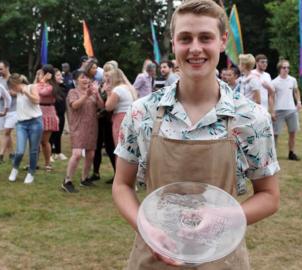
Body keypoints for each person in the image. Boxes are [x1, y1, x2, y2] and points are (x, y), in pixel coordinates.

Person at [112, 1, 280, 269]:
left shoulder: (251, 117)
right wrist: (145, 226)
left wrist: (223, 216)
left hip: (222, 260)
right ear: (173, 43)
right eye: (185, 38)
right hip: (152, 256)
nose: (195, 48)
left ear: (223, 41)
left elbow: (269, 196)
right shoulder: (141, 112)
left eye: (206, 38)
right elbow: (121, 185)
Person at [61, 70, 104, 193]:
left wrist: (96, 94)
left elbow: (101, 106)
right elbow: (74, 105)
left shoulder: (92, 92)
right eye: (82, 77)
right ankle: (67, 181)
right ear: (76, 80)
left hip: (91, 126)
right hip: (78, 126)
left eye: (87, 77)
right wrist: (86, 95)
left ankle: (84, 179)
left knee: (91, 154)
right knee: (77, 154)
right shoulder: (72, 92)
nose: (86, 79)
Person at [7, 73, 43, 184]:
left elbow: (37, 100)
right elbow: (6, 93)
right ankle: (15, 169)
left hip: (35, 122)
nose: (12, 89)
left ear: (17, 83)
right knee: (20, 151)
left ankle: (31, 173)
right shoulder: (16, 92)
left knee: (33, 151)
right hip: (21, 124)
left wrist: (26, 93)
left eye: (12, 86)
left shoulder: (31, 87)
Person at [89, 62, 118, 183]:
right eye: (105, 72)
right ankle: (95, 172)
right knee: (97, 146)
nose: (105, 75)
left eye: (108, 72)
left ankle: (117, 175)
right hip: (99, 120)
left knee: (111, 148)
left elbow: (109, 106)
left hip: (109, 120)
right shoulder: (102, 85)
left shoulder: (115, 87)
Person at [272, 59, 302, 161]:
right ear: (279, 69)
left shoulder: (292, 80)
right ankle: (273, 154)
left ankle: (291, 153)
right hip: (279, 110)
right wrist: (272, 110)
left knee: (292, 132)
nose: (286, 69)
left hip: (291, 110)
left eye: (288, 67)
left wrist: (298, 102)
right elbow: (271, 97)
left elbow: (296, 91)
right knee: (275, 134)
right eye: (284, 67)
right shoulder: (274, 82)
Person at [102, 68, 137, 147]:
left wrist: (108, 93)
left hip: (120, 118)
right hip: (131, 116)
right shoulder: (128, 87)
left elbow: (108, 107)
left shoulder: (118, 90)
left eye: (109, 79)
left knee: (120, 146)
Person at [36, 64, 61, 171]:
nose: (39, 75)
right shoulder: (41, 84)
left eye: (41, 73)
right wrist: (41, 82)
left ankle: (47, 163)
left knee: (44, 141)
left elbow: (41, 92)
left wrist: (42, 81)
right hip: (37, 112)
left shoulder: (51, 86)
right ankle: (34, 163)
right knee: (35, 141)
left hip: (48, 114)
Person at [0, 60, 17, 164]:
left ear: (7, 67)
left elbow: (21, 91)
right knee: (6, 133)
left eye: (1, 69)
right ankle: (12, 153)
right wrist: (4, 95)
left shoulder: (15, 79)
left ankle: (0, 155)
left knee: (6, 132)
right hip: (1, 110)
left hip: (14, 110)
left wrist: (14, 93)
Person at [49, 68, 69, 161]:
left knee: (59, 133)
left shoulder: (63, 87)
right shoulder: (50, 88)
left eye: (60, 75)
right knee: (52, 134)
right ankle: (49, 154)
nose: (60, 76)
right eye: (57, 75)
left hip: (61, 113)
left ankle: (58, 152)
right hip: (53, 114)